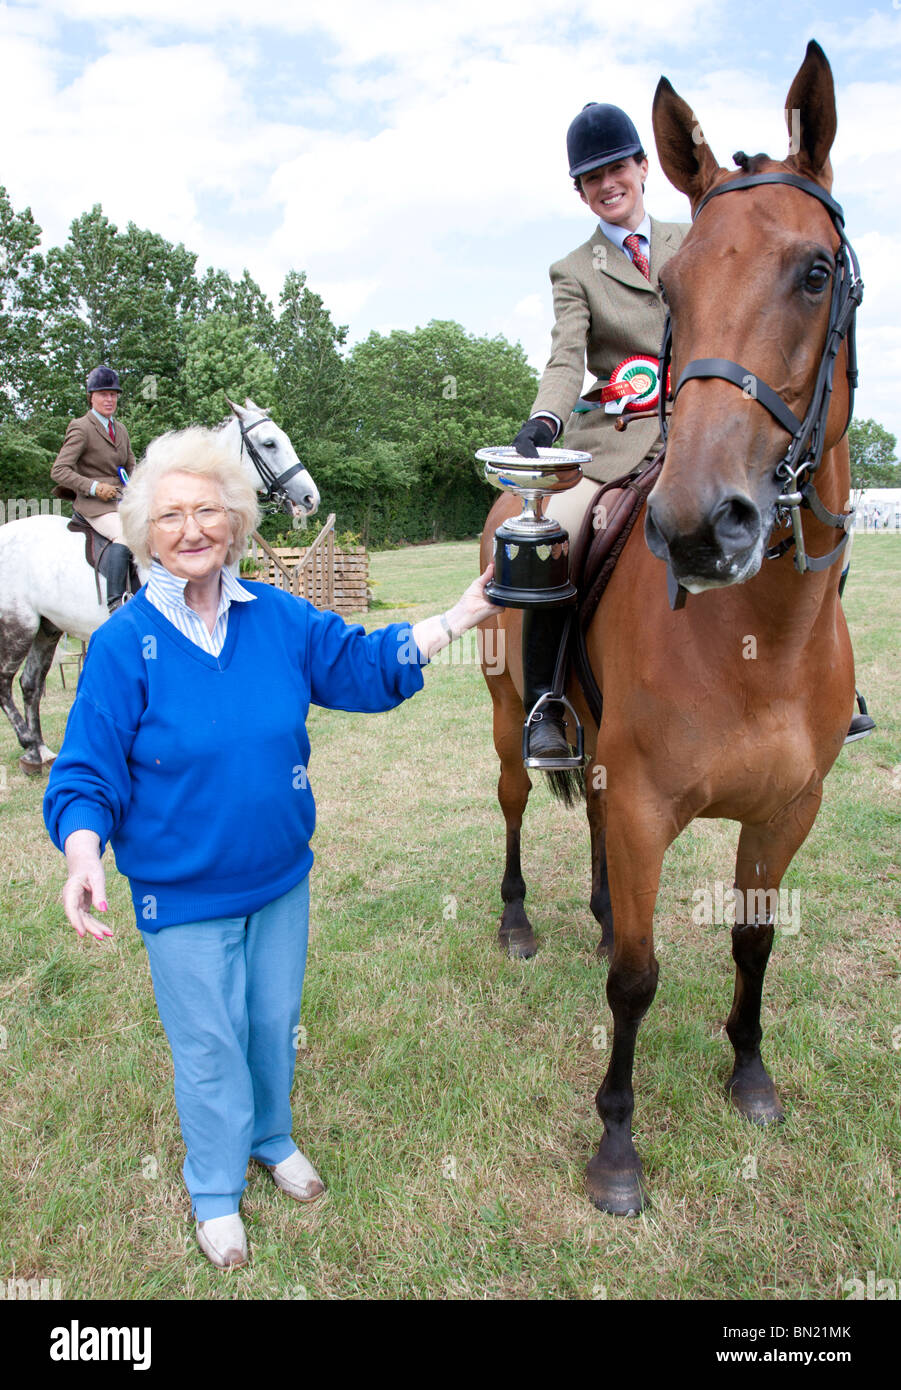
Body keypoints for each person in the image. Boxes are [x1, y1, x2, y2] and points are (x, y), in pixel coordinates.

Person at [43, 424, 498, 1270]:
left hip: (280, 878)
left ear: (237, 519)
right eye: (170, 515)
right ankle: (215, 1188)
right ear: (146, 531)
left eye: (207, 511)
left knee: (270, 1021)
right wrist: (81, 855)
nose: (191, 530)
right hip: (179, 894)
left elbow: (361, 667)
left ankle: (270, 1134)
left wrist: (460, 614)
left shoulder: (278, 618)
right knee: (208, 1040)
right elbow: (85, 775)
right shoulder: (121, 647)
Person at [509, 103, 688, 766]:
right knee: (552, 535)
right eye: (591, 177)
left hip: (704, 425)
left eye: (617, 167)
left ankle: (823, 687)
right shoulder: (573, 269)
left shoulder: (694, 239)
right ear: (579, 191)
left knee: (794, 497)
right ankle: (546, 705)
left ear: (643, 167)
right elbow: (566, 355)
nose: (607, 182)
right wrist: (545, 419)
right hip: (617, 436)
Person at [50, 366, 136, 611]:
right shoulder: (81, 427)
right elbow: (59, 470)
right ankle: (116, 603)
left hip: (121, 500)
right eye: (103, 394)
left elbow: (131, 467)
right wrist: (94, 487)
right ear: (91, 396)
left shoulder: (120, 429)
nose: (109, 399)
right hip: (94, 505)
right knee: (126, 536)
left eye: (113, 394)